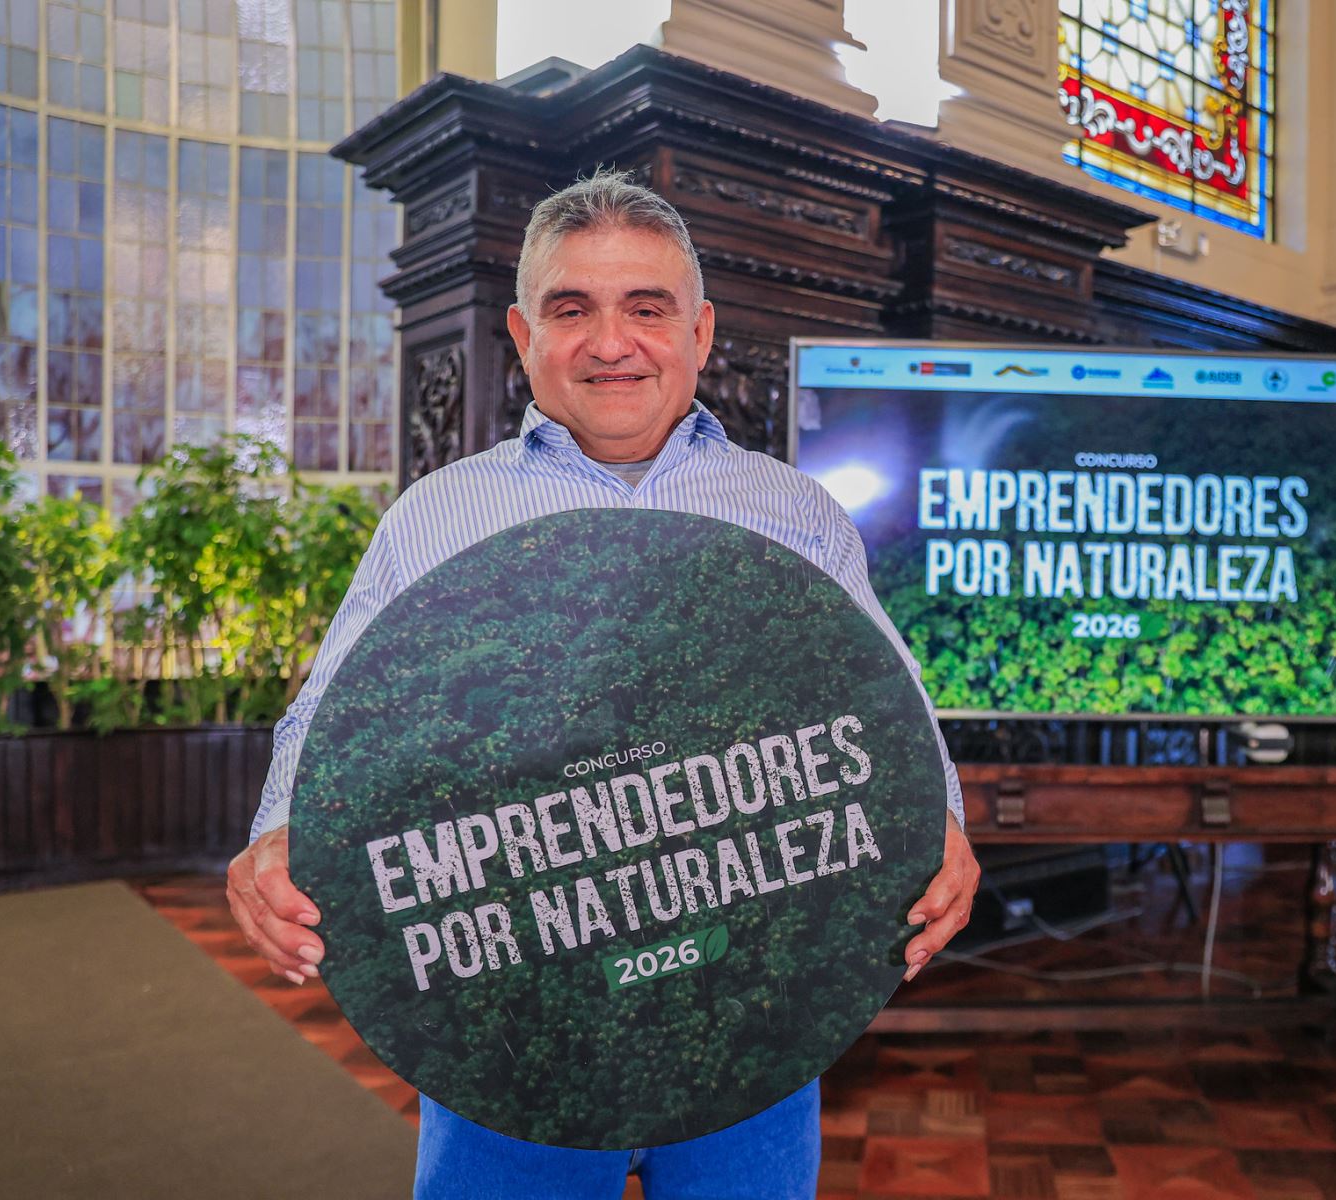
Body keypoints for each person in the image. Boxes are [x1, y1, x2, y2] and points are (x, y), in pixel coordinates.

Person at [224, 169, 982, 1198]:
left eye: (647, 308)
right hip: (511, 1015)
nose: (611, 342)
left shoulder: (795, 512)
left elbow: (888, 697)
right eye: (571, 308)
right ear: (523, 333)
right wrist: (276, 833)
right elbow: (332, 715)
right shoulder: (438, 516)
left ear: (702, 333)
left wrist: (937, 813)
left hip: (749, 1013)